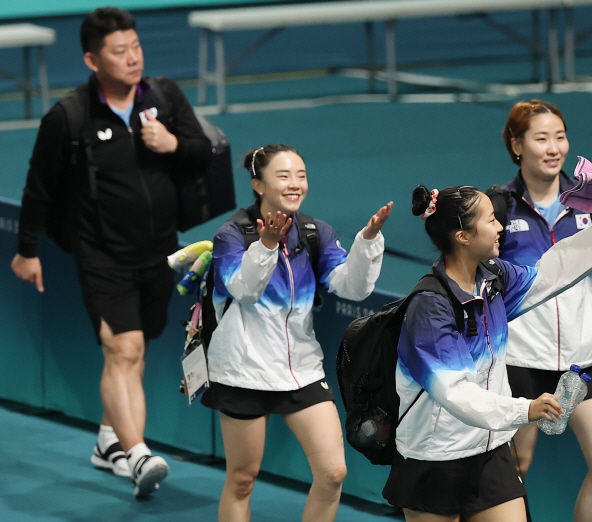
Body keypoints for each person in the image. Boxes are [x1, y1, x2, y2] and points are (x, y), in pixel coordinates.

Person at [10, 7, 211, 497]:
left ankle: (107, 442)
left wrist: (172, 143)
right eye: (119, 52)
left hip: (161, 250)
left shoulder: (163, 97)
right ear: (91, 60)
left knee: (134, 350)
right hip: (101, 254)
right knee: (124, 348)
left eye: (135, 47)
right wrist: (26, 250)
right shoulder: (70, 116)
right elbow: (39, 186)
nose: (132, 58)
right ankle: (138, 455)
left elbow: (203, 153)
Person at [381, 185, 592, 522]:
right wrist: (525, 408)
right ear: (463, 236)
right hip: (434, 455)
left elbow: (551, 273)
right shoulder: (431, 308)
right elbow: (456, 394)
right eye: (490, 220)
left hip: (488, 453)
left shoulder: (494, 280)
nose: (501, 225)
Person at [200, 144, 393, 522]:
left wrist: (367, 242)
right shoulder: (232, 235)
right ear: (258, 184)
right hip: (243, 373)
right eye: (283, 176)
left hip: (300, 370)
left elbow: (351, 287)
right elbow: (244, 290)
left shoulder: (313, 232)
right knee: (242, 479)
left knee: (333, 473)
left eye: (301, 176)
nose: (295, 184)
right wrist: (267, 245)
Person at [492, 99, 592, 522]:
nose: (554, 148)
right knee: (515, 469)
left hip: (583, 361)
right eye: (541, 138)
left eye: (560, 137)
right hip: (519, 361)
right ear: (517, 146)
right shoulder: (499, 208)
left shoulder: (591, 206)